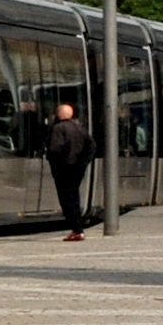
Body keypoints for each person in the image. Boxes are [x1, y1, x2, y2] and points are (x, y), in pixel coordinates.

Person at [41, 100, 97, 239]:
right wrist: (83, 162)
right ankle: (78, 228)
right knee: (74, 196)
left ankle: (76, 228)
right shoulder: (80, 128)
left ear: (58, 114)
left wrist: (52, 160)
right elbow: (92, 146)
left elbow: (55, 148)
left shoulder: (58, 128)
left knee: (66, 198)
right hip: (77, 168)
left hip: (63, 168)